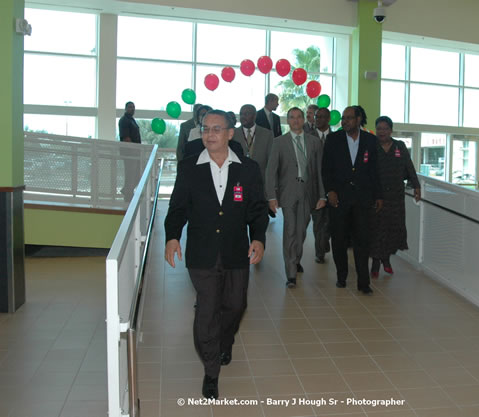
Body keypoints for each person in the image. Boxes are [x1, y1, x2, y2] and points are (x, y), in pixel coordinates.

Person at [164, 109, 268, 400]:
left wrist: (258, 238)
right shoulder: (189, 167)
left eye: (216, 129)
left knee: (236, 305)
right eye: (205, 129)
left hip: (236, 251)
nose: (210, 134)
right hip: (202, 252)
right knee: (207, 310)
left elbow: (258, 209)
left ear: (230, 134)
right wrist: (172, 236)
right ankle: (211, 371)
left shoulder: (248, 169)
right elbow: (177, 208)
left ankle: (225, 340)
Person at [322, 106, 382, 295]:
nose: (345, 121)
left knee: (362, 240)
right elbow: (326, 168)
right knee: (339, 239)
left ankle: (363, 282)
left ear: (358, 120)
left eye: (349, 118)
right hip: (339, 198)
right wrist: (330, 191)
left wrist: (378, 195)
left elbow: (375, 171)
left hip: (363, 200)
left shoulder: (371, 141)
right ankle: (342, 275)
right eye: (343, 118)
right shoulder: (333, 140)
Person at [266, 107, 325, 287]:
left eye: (299, 117)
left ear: (304, 119)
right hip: (288, 191)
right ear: (288, 121)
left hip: (309, 192)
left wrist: (322, 195)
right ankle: (290, 273)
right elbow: (270, 172)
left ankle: (295, 258)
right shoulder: (279, 142)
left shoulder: (314, 142)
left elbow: (320, 171)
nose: (296, 120)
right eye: (292, 117)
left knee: (301, 231)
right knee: (290, 230)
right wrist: (271, 197)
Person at [369, 116, 421, 278]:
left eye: (385, 128)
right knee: (377, 229)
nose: (382, 131)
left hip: (395, 197)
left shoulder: (400, 146)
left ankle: (385, 258)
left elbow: (409, 167)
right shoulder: (371, 146)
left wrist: (416, 185)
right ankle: (378, 262)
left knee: (393, 229)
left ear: (391, 130)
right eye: (379, 128)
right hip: (376, 196)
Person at [311, 107, 332, 263]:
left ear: (328, 119)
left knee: (330, 221)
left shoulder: (338, 137)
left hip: (333, 187)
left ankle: (324, 241)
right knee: (318, 221)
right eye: (317, 117)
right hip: (314, 187)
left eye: (322, 117)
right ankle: (320, 251)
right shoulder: (308, 137)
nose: (318, 120)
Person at [118, 101, 141, 202]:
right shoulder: (124, 120)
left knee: (136, 174)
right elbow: (126, 137)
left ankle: (126, 190)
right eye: (130, 107)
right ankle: (128, 195)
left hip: (135, 152)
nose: (132, 109)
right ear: (126, 108)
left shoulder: (132, 120)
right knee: (131, 174)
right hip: (129, 153)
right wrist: (134, 150)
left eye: (134, 107)